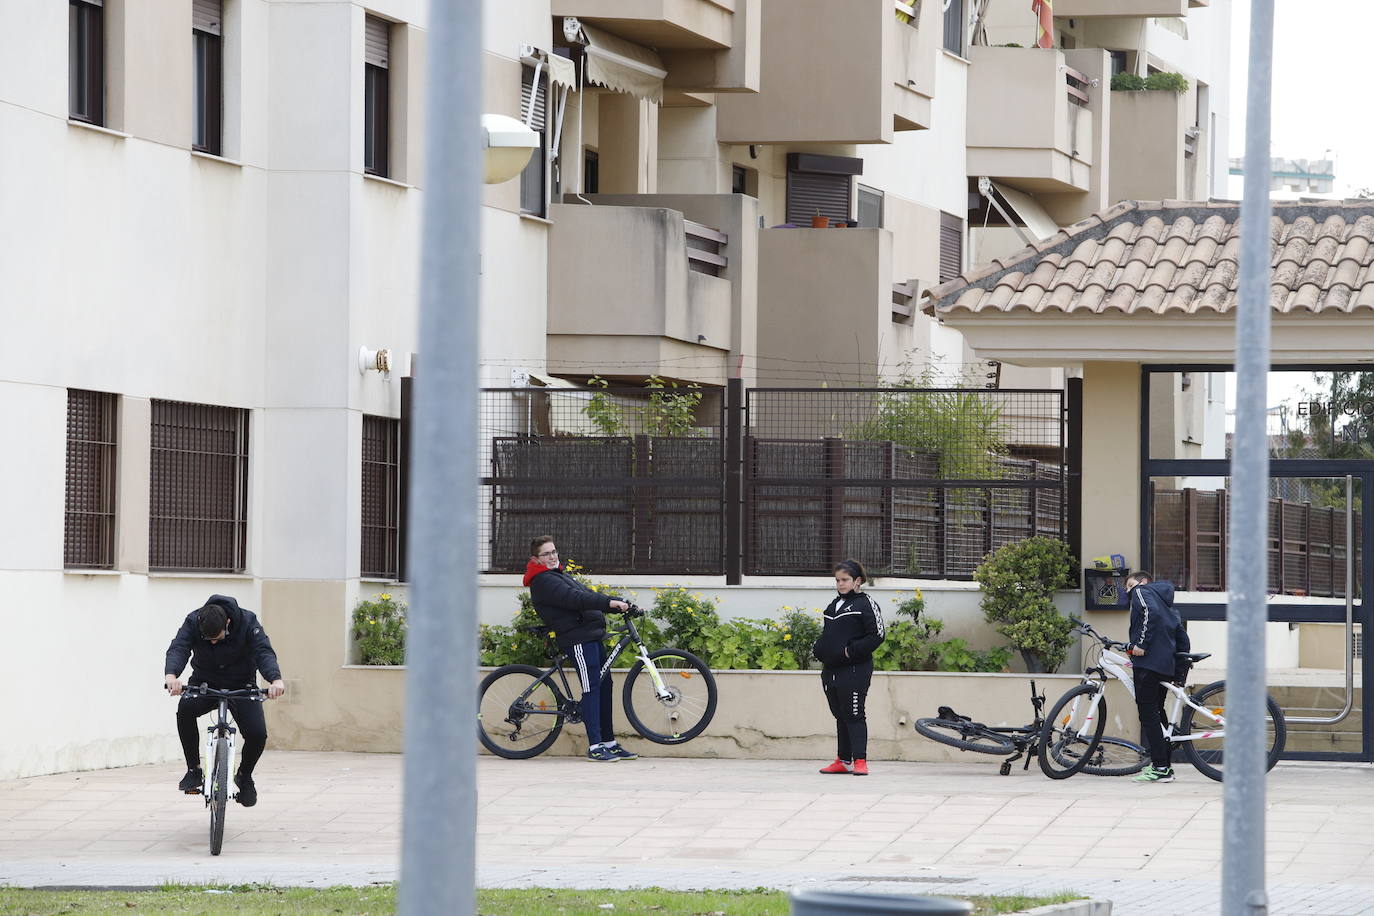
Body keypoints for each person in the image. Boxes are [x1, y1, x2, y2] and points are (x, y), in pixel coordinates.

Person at [524, 535, 637, 762]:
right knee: (591, 687)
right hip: (577, 639)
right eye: (546, 554)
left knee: (604, 685)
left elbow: (588, 595)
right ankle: (595, 746)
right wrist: (608, 604)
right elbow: (575, 599)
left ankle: (609, 743)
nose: (553, 556)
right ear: (536, 559)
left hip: (590, 636)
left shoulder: (558, 575)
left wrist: (620, 603)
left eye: (554, 551)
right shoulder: (544, 581)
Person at [165, 595, 285, 807]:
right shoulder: (194, 621)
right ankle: (193, 769)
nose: (212, 642)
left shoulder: (248, 622)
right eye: (207, 639)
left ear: (228, 623)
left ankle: (244, 776)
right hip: (205, 682)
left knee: (257, 734)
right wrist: (171, 676)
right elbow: (179, 647)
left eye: (217, 638)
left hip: (241, 684)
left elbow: (263, 651)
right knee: (185, 709)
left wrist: (275, 679)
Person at [811, 559, 885, 776]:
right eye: (837, 580)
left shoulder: (865, 603)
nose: (841, 584)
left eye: (845, 580)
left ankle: (860, 760)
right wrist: (820, 649)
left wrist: (850, 651)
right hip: (831, 670)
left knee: (854, 714)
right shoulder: (833, 606)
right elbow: (828, 635)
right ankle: (843, 760)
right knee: (840, 715)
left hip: (855, 669)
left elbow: (877, 635)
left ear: (857, 581)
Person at [1123, 571, 1188, 784]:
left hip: (1148, 664)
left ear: (1143, 582)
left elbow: (1149, 612)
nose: (1128, 591)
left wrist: (1141, 644)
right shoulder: (1169, 608)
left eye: (1129, 585)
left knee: (1147, 713)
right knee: (1157, 712)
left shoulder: (1142, 591)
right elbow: (1182, 640)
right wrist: (1180, 674)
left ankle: (1160, 767)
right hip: (1164, 666)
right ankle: (1164, 766)